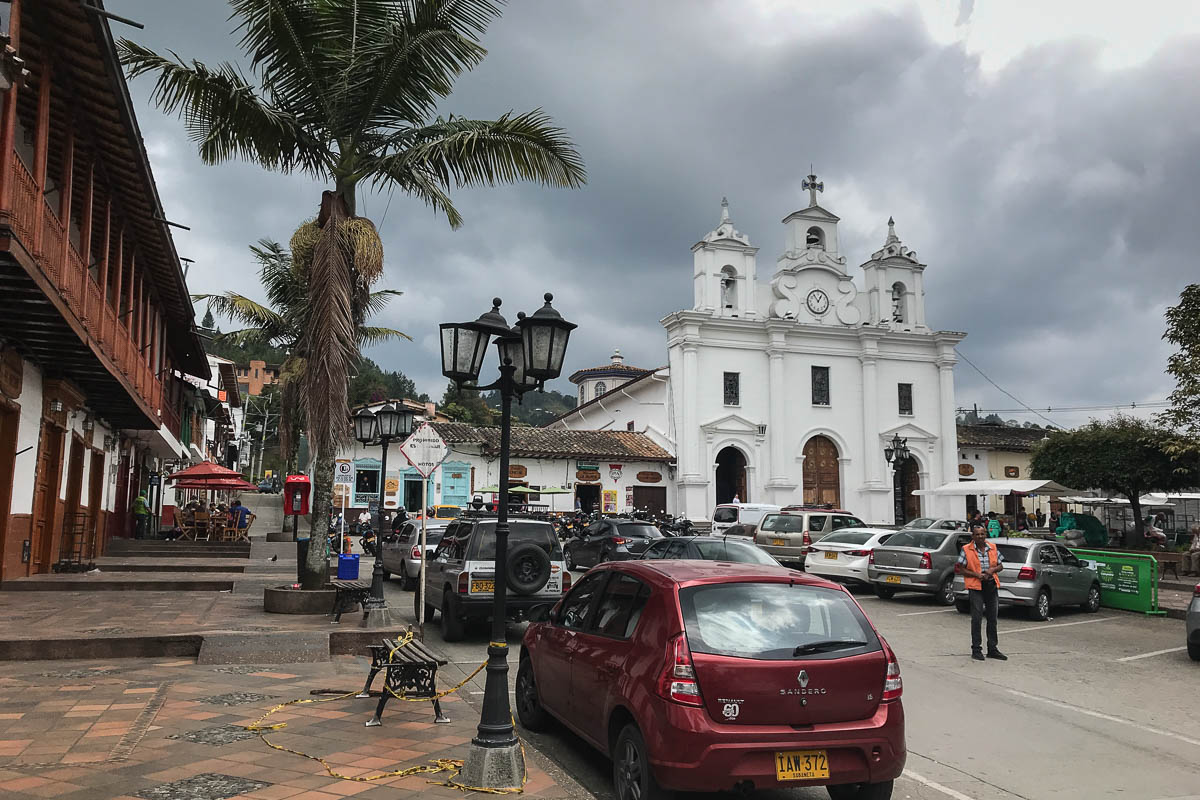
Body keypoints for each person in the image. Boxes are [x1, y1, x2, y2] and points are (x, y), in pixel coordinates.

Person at [958, 525, 1007, 661]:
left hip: (991, 585)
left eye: (982, 534)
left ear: (986, 535)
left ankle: (992, 649)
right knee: (977, 618)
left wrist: (992, 571)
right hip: (976, 587)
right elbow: (961, 569)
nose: (980, 537)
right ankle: (976, 649)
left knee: (992, 618)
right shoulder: (966, 549)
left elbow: (1001, 565)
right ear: (973, 536)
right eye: (977, 534)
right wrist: (977, 575)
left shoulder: (992, 547)